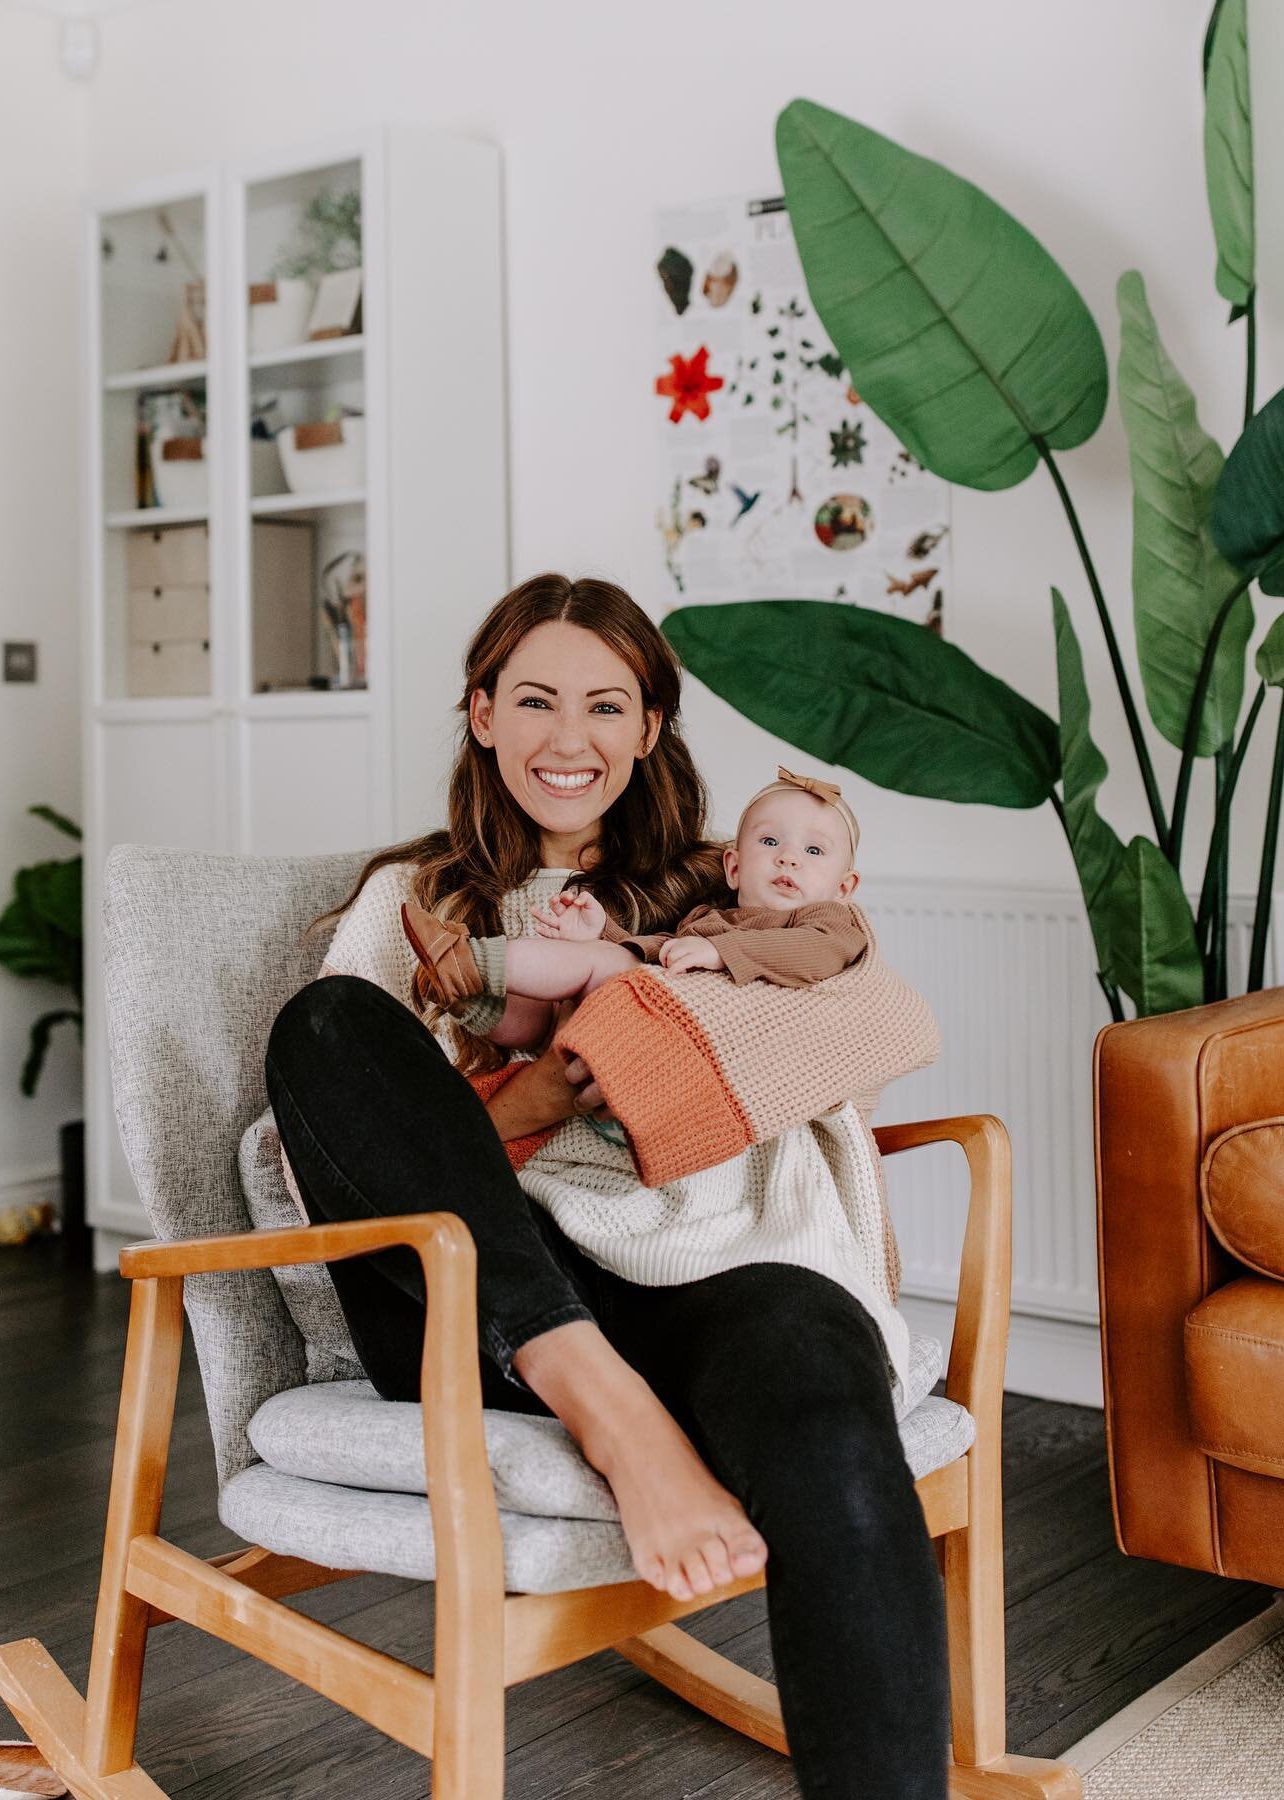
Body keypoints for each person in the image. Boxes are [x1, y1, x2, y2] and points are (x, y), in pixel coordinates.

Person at [264, 573, 949, 1797]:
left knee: (825, 1412)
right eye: (532, 701)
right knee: (326, 1026)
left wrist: (665, 1052)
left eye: (605, 707)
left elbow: (883, 1021)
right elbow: (315, 1143)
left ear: (649, 728)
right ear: (480, 714)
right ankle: (613, 1413)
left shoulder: (737, 888)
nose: (567, 741)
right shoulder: (407, 907)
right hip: (482, 1302)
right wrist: (528, 1104)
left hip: (715, 1271)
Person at [397, 765, 868, 1055]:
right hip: (627, 1045)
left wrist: (719, 955)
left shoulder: (831, 923)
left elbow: (812, 954)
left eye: (814, 851)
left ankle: (474, 960)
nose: (788, 857)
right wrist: (605, 930)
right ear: (734, 867)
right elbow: (657, 951)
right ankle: (465, 993)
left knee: (605, 968)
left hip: (680, 1057)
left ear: (845, 887)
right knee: (548, 1013)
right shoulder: (712, 917)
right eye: (770, 841)